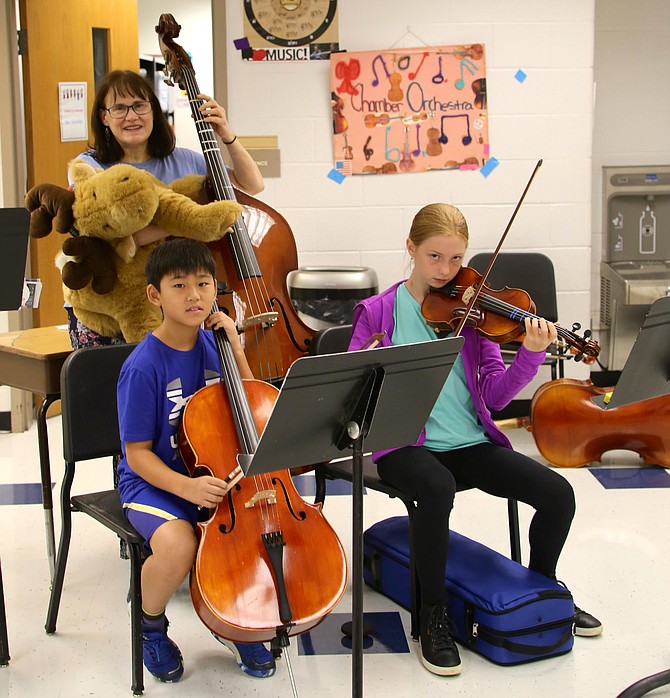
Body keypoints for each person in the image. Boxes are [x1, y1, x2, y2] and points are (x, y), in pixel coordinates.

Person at [348, 203, 602, 677]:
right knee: (436, 487)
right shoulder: (379, 311)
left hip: (469, 442)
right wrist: (366, 361)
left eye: (455, 258)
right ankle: (432, 618)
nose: (446, 272)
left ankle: (539, 593)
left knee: (557, 494)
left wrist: (529, 354)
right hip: (405, 445)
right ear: (411, 249)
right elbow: (352, 385)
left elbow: (498, 397)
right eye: (434, 258)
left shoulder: (475, 312)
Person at [116, 237, 276, 682]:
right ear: (155, 295)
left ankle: (234, 620)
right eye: (180, 285)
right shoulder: (143, 366)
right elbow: (137, 455)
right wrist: (185, 487)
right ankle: (150, 625)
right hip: (152, 482)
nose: (195, 296)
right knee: (180, 547)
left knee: (248, 532)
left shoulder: (213, 346)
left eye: (204, 284)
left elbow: (252, 403)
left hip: (209, 472)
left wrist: (238, 349)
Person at [67, 68, 264, 349]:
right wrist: (193, 221)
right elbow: (121, 239)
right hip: (112, 309)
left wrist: (226, 135)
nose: (131, 116)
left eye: (139, 105)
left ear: (153, 110)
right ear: (104, 117)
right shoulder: (89, 169)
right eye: (119, 108)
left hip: (179, 305)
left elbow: (252, 184)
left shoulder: (183, 160)